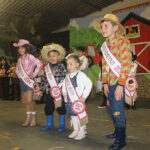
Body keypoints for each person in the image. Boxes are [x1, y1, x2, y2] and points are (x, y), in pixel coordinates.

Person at [92, 14, 132, 150]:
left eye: (106, 26)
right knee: (111, 108)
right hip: (109, 83)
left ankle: (121, 141)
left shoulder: (123, 42)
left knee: (117, 110)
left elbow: (126, 65)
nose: (103, 29)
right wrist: (104, 83)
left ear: (115, 28)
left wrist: (121, 85)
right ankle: (117, 133)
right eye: (102, 26)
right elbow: (105, 65)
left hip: (118, 83)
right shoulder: (105, 45)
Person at [62, 55, 92, 140]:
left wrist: (84, 96)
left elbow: (89, 84)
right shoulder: (67, 76)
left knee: (80, 116)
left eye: (71, 64)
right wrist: (64, 93)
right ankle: (75, 130)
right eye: (67, 64)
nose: (69, 66)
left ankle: (82, 132)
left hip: (78, 101)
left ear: (77, 64)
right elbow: (64, 85)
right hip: (70, 100)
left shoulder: (81, 75)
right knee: (73, 116)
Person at [14, 39, 43, 127]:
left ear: (26, 48)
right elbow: (17, 69)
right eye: (19, 48)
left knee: (30, 100)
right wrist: (20, 76)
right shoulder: (19, 59)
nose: (20, 50)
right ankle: (28, 118)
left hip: (29, 82)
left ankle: (34, 118)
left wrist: (34, 74)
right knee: (27, 102)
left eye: (22, 48)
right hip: (23, 81)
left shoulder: (30, 56)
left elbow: (39, 63)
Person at [40, 43, 67, 132]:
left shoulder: (62, 66)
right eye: (50, 56)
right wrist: (41, 90)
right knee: (48, 107)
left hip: (59, 92)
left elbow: (65, 79)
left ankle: (62, 125)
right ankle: (49, 124)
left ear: (58, 56)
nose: (52, 58)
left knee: (61, 108)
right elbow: (44, 80)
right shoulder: (46, 68)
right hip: (48, 92)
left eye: (54, 56)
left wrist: (63, 90)